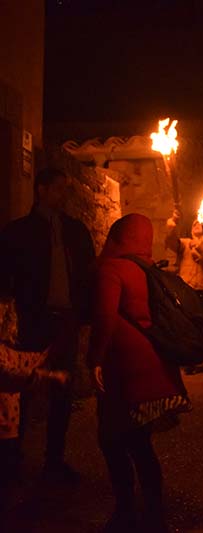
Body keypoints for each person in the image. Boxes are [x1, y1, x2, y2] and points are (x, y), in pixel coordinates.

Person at [88, 214, 191, 532]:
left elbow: (105, 318)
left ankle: (125, 511)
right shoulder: (148, 270)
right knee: (139, 442)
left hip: (123, 371)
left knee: (111, 440)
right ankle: (154, 512)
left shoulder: (112, 268)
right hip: (153, 367)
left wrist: (95, 358)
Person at [0, 167, 95, 483]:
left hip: (66, 320)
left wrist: (83, 315)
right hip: (32, 319)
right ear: (40, 189)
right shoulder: (18, 233)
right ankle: (12, 457)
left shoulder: (75, 231)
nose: (63, 195)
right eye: (57, 188)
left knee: (62, 390)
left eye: (65, 189)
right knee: (22, 388)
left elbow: (86, 275)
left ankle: (54, 460)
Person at [0, 298, 68, 486]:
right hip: (2, 427)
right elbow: (8, 375)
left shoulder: (5, 350)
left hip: (8, 428)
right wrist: (49, 376)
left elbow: (24, 361)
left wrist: (51, 350)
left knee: (8, 474)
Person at [165, 212, 203, 375]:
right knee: (188, 328)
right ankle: (190, 360)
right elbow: (171, 241)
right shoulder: (185, 244)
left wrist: (201, 244)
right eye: (194, 222)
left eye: (201, 222)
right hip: (186, 291)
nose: (197, 223)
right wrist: (172, 223)